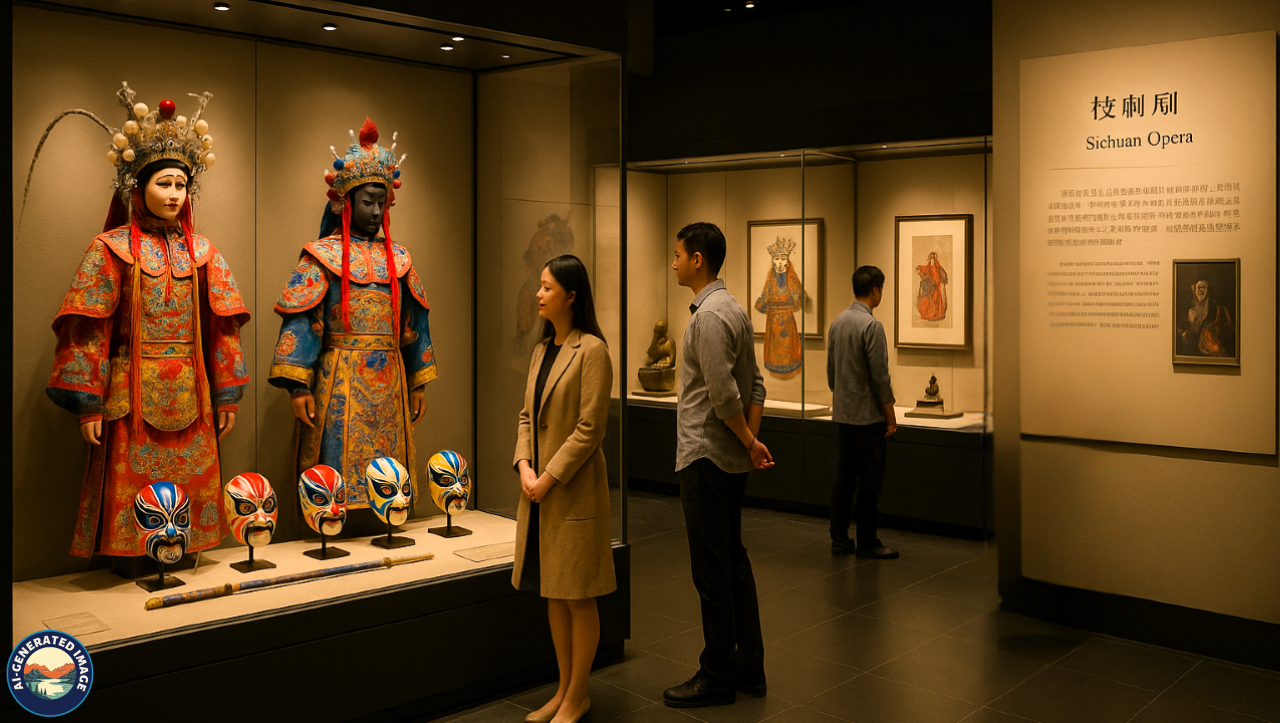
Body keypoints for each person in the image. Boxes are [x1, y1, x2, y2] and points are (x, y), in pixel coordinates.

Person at [44, 83, 249, 561]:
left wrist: (227, 393)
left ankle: (187, 547)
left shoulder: (204, 252)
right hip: (129, 390)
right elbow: (87, 329)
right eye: (163, 183)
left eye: (181, 184)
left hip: (193, 394)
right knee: (133, 479)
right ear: (138, 187)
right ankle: (133, 553)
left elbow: (222, 329)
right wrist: (89, 403)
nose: (174, 194)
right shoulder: (110, 249)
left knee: (189, 477)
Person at [269, 118, 438, 514]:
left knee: (390, 462)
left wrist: (418, 381)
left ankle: (388, 517)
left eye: (382, 202)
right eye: (368, 202)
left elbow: (415, 326)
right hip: (339, 377)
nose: (377, 210)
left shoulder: (400, 260)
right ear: (346, 202)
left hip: (391, 379)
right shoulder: (321, 257)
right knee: (336, 464)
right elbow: (300, 322)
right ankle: (333, 520)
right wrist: (298, 387)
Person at [663, 222, 774, 709]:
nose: (674, 262)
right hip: (726, 457)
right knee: (733, 563)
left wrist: (747, 438)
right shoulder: (734, 310)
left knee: (712, 570)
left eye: (678, 254)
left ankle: (717, 674)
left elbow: (724, 394)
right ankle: (749, 665)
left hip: (706, 454)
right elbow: (755, 387)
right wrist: (749, 442)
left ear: (698, 260)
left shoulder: (709, 317)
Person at [512, 254, 616, 723]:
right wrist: (523, 466)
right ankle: (563, 689)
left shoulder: (592, 350)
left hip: (571, 489)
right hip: (539, 489)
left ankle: (579, 695)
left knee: (579, 594)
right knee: (553, 591)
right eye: (539, 286)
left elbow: (590, 428)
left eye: (547, 287)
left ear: (571, 296)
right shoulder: (540, 350)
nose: (538, 294)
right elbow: (525, 418)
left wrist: (547, 477)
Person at [827, 265, 899, 559]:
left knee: (844, 477)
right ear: (876, 291)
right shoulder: (872, 326)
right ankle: (868, 540)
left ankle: (839, 539)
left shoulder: (838, 323)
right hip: (869, 418)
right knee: (870, 482)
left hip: (844, 415)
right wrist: (890, 416)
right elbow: (880, 377)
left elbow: (832, 374)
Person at [1178, 278, 1235, 357]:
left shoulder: (1217, 308)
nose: (1199, 290)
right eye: (1197, 287)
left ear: (1209, 290)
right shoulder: (1192, 311)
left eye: (1203, 287)